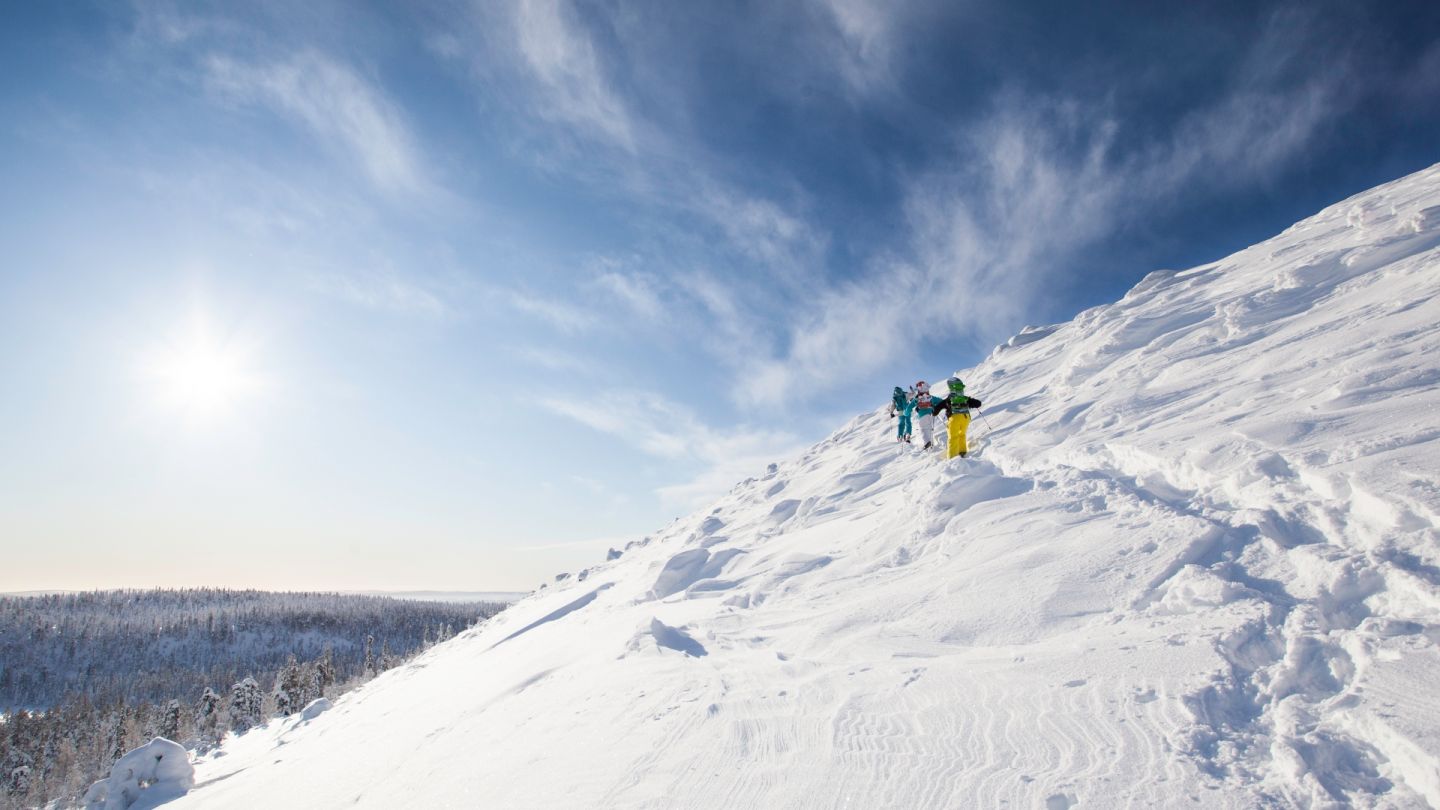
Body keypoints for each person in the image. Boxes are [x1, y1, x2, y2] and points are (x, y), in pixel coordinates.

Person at [934, 377, 983, 459]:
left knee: (953, 437)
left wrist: (934, 412)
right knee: (962, 435)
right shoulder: (965, 398)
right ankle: (962, 451)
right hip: (965, 418)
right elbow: (978, 403)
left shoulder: (949, 399)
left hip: (954, 418)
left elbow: (937, 409)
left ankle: (952, 457)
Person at [912, 380, 940, 449]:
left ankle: (927, 443)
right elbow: (941, 401)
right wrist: (934, 405)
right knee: (930, 429)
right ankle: (931, 445)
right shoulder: (931, 397)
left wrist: (905, 413)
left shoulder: (916, 399)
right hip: (930, 414)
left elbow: (908, 409)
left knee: (923, 429)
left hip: (922, 415)